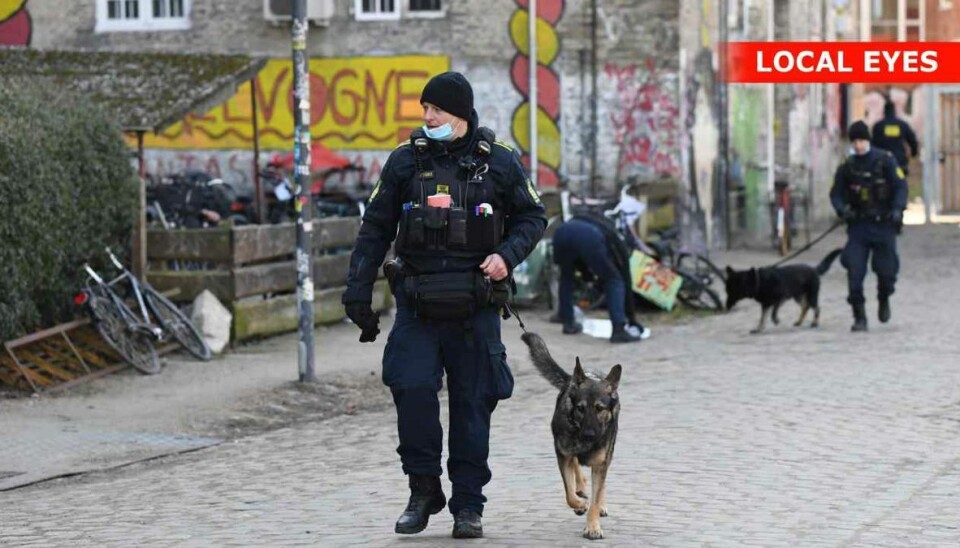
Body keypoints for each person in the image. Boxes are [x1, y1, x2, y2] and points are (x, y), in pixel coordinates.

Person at [341, 71, 546, 539]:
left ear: (459, 115)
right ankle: (423, 488)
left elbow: (534, 216)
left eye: (435, 110)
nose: (427, 116)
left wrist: (506, 256)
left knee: (473, 404)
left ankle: (468, 506)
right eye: (425, 109)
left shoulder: (498, 163)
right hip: (417, 305)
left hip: (475, 307)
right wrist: (358, 291)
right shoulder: (404, 164)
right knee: (410, 388)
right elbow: (374, 229)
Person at [830, 120, 907, 332]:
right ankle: (859, 317)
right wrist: (842, 209)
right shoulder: (847, 167)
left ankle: (884, 298)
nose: (859, 145)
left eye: (862, 141)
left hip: (883, 225)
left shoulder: (885, 161)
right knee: (854, 272)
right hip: (859, 227)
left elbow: (900, 187)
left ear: (868, 141)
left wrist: (897, 209)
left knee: (887, 273)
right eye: (855, 141)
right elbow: (835, 193)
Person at [551, 209, 650, 343]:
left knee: (566, 278)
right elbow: (626, 278)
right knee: (614, 280)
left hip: (561, 232)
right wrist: (632, 319)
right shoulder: (616, 240)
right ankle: (619, 330)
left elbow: (581, 262)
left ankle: (568, 322)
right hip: (588, 237)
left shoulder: (592, 219)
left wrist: (587, 274)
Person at [871, 99, 919, 175]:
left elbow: (872, 144)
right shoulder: (902, 125)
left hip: (882, 162)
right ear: (894, 111)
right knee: (900, 183)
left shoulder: (878, 126)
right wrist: (914, 152)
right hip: (899, 162)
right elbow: (912, 140)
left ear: (884, 111)